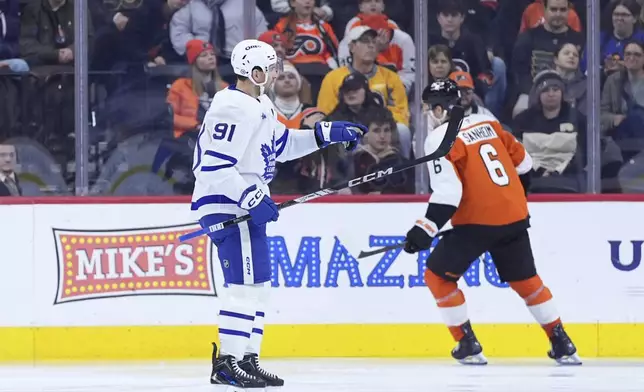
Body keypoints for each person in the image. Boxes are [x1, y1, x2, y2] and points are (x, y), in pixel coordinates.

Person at [190, 39, 367, 389]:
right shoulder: (231, 106)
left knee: (258, 287)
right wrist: (251, 196)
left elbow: (281, 146)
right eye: (270, 68)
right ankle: (227, 363)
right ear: (254, 72)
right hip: (228, 205)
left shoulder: (261, 104)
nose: (276, 73)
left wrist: (323, 134)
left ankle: (246, 359)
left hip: (244, 203)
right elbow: (212, 168)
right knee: (242, 287)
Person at [402, 78, 581, 366]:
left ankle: (466, 343)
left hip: (476, 222)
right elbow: (524, 164)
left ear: (437, 109)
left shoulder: (438, 139)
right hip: (513, 216)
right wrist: (513, 198)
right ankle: (561, 341)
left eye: (427, 108)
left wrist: (424, 229)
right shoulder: (489, 123)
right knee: (526, 281)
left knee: (437, 277)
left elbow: (449, 191)